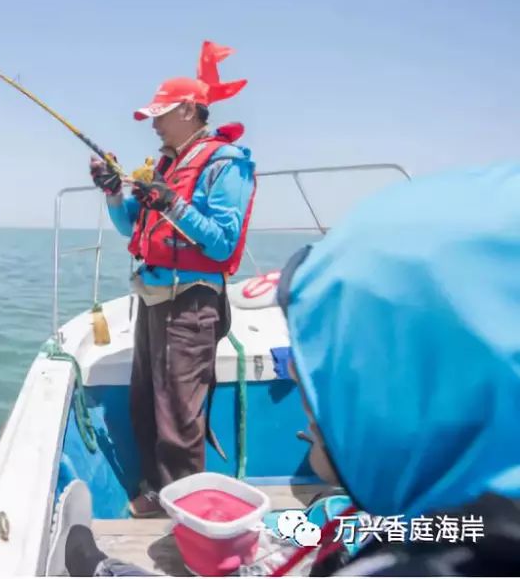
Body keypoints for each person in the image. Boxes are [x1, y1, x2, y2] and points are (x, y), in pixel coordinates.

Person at [58, 162, 520, 576]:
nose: (295, 372)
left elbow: (218, 241)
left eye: (332, 350)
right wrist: (118, 196)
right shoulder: (459, 531)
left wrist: (107, 571)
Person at [89, 41, 256, 517]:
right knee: (146, 401)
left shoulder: (225, 163)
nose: (155, 124)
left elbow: (222, 243)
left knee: (179, 416)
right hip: (153, 297)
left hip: (192, 302)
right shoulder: (165, 165)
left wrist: (172, 204)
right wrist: (114, 193)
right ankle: (159, 494)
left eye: (161, 115)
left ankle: (190, 521)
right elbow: (130, 227)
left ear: (188, 111)